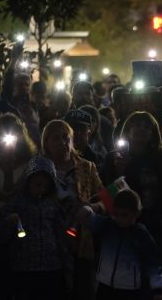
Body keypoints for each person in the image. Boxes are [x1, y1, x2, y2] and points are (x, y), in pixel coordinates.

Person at [110, 111, 162, 300]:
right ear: (128, 129)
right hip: (130, 228)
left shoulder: (161, 157)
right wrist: (120, 171)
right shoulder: (115, 158)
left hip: (160, 227)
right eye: (137, 125)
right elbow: (109, 195)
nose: (141, 129)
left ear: (153, 133)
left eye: (147, 126)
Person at [41, 119, 104, 300]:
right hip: (49, 241)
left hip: (81, 240)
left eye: (66, 137)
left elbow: (106, 199)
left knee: (82, 289)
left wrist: (93, 207)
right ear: (46, 142)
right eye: (56, 138)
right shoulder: (40, 167)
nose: (63, 142)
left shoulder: (86, 167)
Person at [0, 113, 37, 300]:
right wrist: (11, 205)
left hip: (25, 237)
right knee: (0, 287)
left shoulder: (30, 165)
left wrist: (0, 199)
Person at [0, 157, 68, 300]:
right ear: (28, 181)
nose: (41, 190)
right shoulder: (16, 202)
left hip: (51, 266)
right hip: (24, 267)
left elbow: (60, 235)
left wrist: (66, 264)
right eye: (37, 184)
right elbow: (0, 236)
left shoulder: (52, 204)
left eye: (46, 186)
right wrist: (9, 223)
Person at [77, 189, 162, 300]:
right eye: (116, 214)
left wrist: (157, 290)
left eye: (124, 215)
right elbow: (87, 217)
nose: (119, 219)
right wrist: (88, 208)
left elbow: (153, 263)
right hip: (104, 285)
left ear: (137, 213)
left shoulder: (141, 234)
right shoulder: (107, 225)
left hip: (128, 290)